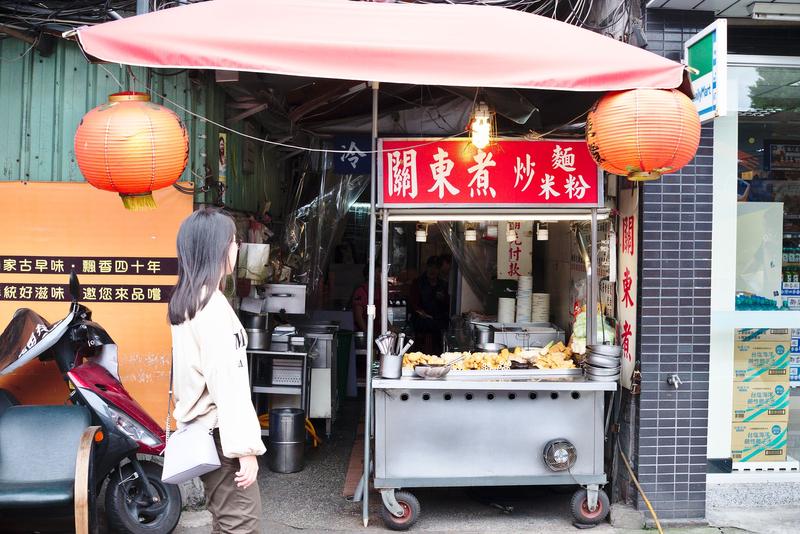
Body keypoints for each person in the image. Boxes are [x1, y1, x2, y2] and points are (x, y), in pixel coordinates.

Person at [169, 208, 264, 534]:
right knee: (241, 526)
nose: (236, 248)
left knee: (226, 523)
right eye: (234, 242)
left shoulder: (189, 300)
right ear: (219, 249)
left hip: (206, 434)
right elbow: (228, 385)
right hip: (223, 439)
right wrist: (246, 450)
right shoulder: (211, 308)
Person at [408, 256, 450, 354]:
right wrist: (421, 312)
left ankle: (439, 355)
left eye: (436, 268)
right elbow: (413, 304)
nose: (433, 270)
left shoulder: (443, 284)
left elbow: (447, 305)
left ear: (439, 270)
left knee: (443, 325)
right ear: (426, 267)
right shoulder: (418, 283)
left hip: (438, 319)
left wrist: (443, 299)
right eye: (430, 267)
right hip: (421, 319)